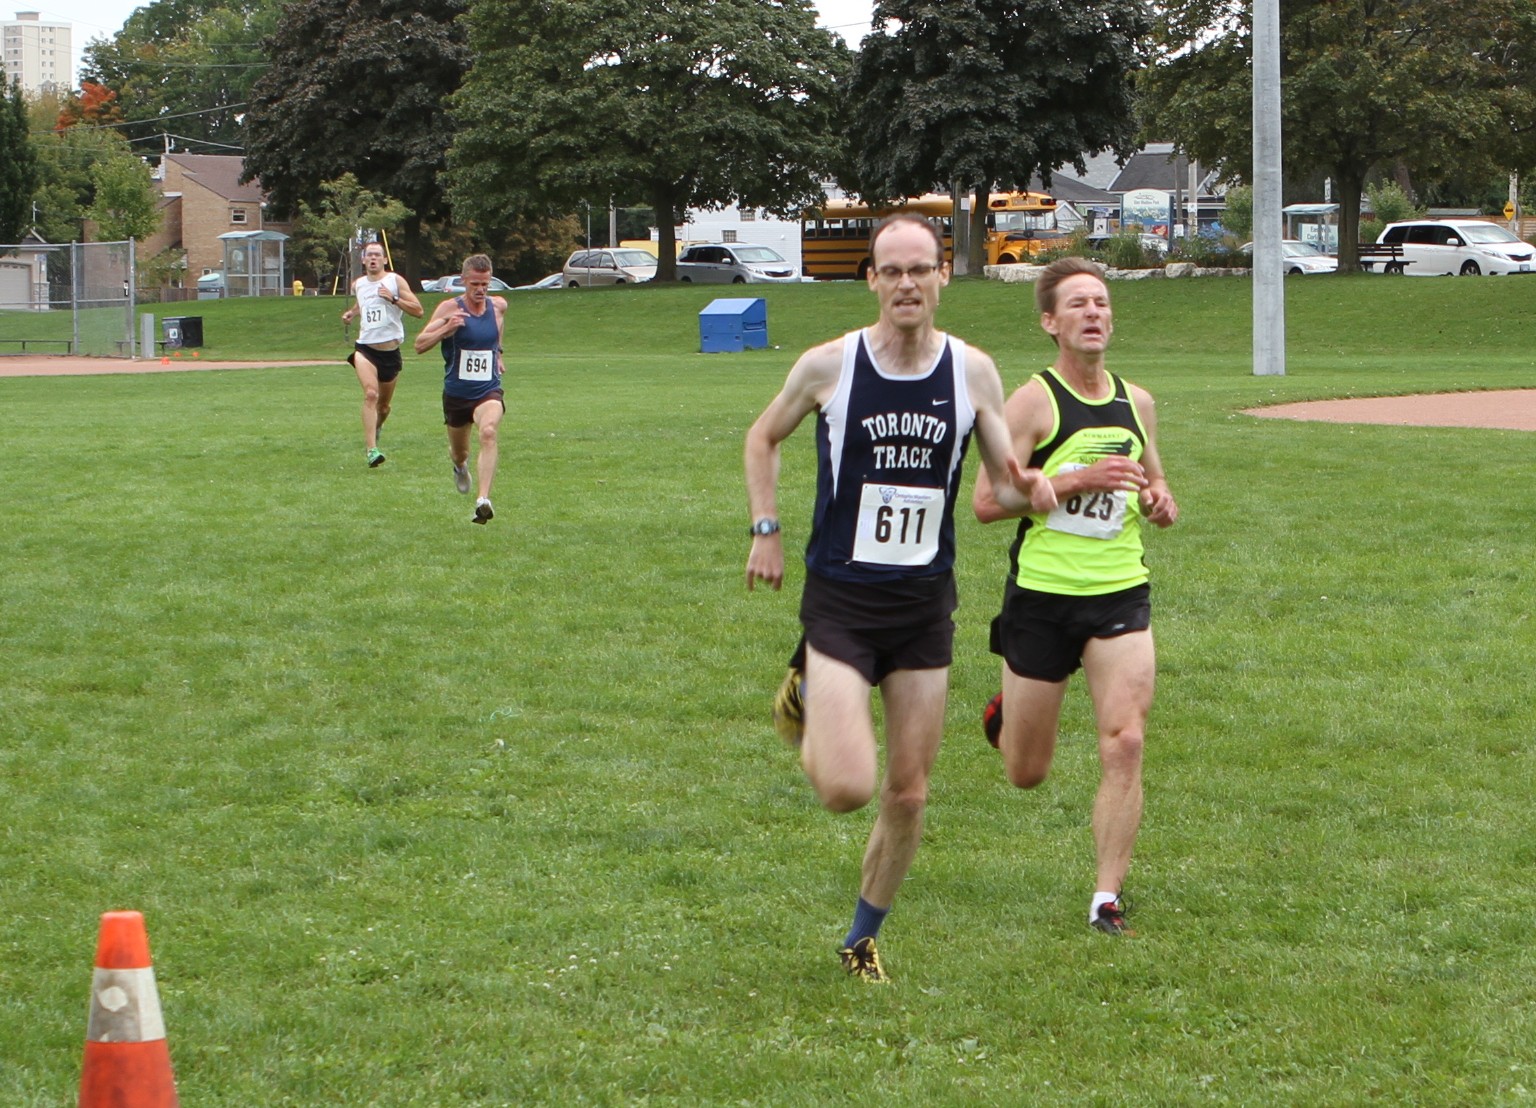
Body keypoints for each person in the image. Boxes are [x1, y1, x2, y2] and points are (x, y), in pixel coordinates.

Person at [743, 215, 1056, 983]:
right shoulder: (830, 366)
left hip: (923, 607)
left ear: (942, 275)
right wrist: (766, 528)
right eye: (892, 271)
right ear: (872, 280)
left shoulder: (972, 372)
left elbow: (1003, 482)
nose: (907, 283)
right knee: (847, 789)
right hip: (842, 604)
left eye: (921, 269)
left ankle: (861, 940)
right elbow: (763, 437)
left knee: (909, 793)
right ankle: (803, 693)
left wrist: (1037, 489)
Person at [973, 256, 1179, 937]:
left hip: (1119, 590)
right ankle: (1007, 711)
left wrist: (1158, 500)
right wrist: (1071, 481)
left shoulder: (1137, 402)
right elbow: (987, 502)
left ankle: (1105, 898)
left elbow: (1152, 480)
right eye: (1078, 304)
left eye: (1102, 302)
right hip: (1042, 596)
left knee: (1126, 741)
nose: (1094, 312)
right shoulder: (1032, 403)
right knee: (1026, 772)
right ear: (1050, 322)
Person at [414, 254, 507, 524]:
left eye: (485, 284)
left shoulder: (498, 306)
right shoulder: (449, 309)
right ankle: (459, 467)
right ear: (463, 280)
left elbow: (498, 327)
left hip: (488, 390)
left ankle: (483, 500)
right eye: (475, 284)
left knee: (488, 432)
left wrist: (498, 353)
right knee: (460, 452)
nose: (480, 290)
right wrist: (446, 329)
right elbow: (419, 345)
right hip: (457, 394)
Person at [341, 241, 423, 467]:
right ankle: (372, 450)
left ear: (385, 260)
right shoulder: (359, 284)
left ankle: (377, 426)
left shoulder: (395, 281)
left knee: (384, 407)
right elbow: (363, 304)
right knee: (370, 394)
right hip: (365, 349)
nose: (373, 258)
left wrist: (393, 299)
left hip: (390, 353)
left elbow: (418, 310)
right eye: (369, 255)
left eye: (378, 255)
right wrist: (352, 313)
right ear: (363, 260)